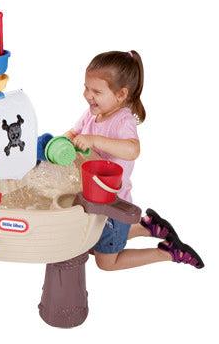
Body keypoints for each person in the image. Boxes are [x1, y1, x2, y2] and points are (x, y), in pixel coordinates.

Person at [65, 50, 204, 270]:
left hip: (113, 206)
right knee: (92, 242)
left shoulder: (123, 120)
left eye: (96, 91)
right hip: (94, 201)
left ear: (121, 94)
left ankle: (168, 253)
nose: (88, 95)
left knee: (106, 262)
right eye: (86, 88)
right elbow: (73, 133)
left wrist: (94, 140)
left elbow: (132, 149)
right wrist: (61, 142)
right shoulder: (91, 114)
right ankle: (148, 227)